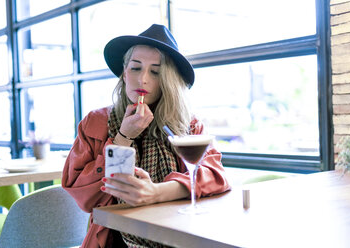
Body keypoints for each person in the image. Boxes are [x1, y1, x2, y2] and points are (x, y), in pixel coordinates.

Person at [62, 24, 231, 248]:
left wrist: (155, 192)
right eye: (135, 68)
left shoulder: (188, 124)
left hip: (180, 238)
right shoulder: (96, 122)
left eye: (155, 71)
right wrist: (123, 138)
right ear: (124, 73)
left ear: (168, 80)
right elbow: (85, 197)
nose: (143, 79)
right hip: (115, 241)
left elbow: (215, 176)